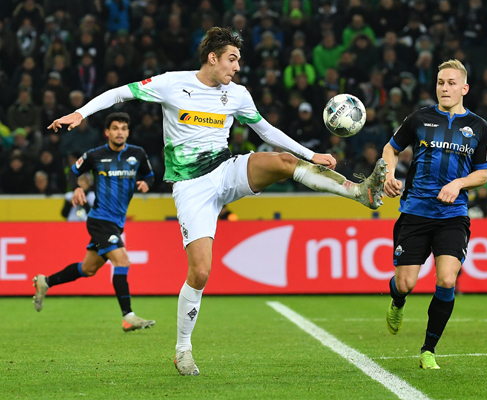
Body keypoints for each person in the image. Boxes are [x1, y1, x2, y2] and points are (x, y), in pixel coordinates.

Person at [46, 27, 387, 376]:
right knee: (200, 271)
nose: (237, 67)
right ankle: (182, 349)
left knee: (283, 162)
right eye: (232, 59)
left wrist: (309, 153)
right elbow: (121, 93)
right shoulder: (171, 83)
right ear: (213, 58)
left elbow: (265, 130)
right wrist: (81, 113)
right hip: (191, 187)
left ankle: (360, 191)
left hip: (225, 169)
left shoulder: (236, 94)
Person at [381, 59, 487, 369]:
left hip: (453, 215)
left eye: (452, 83)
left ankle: (428, 350)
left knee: (446, 279)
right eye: (441, 82)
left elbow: (482, 174)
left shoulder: (479, 127)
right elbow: (391, 149)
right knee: (406, 284)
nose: (445, 87)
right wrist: (390, 174)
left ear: (464, 88)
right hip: (415, 211)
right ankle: (397, 301)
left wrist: (458, 183)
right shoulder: (419, 118)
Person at [34, 112, 156, 333]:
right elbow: (72, 173)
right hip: (100, 220)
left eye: (123, 128)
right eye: (115, 128)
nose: (120, 132)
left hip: (116, 222)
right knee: (123, 262)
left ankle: (46, 281)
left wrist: (146, 183)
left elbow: (149, 176)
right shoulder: (95, 155)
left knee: (88, 269)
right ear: (107, 132)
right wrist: (77, 187)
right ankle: (128, 316)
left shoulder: (137, 154)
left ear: (128, 132)